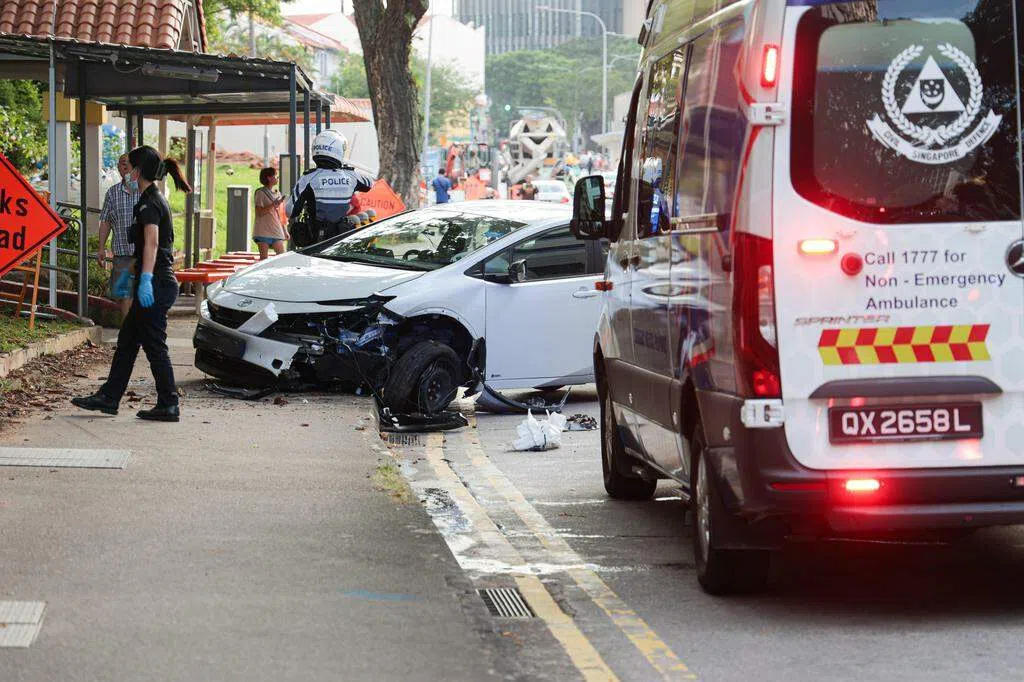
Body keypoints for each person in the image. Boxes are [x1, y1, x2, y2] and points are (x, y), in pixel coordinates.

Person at [72, 146, 192, 422]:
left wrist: (147, 279)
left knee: (154, 345)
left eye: (130, 167)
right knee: (128, 341)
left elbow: (151, 243)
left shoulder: (150, 202)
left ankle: (168, 404)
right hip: (153, 280)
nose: (126, 171)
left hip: (157, 283)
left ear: (137, 171)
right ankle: (110, 397)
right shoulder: (148, 198)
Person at [286, 129, 374, 247]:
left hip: (315, 240)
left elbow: (290, 211)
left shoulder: (308, 178)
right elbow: (369, 183)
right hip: (341, 237)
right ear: (338, 150)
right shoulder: (351, 176)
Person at [97, 154, 140, 317]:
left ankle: (140, 332)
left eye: (129, 164)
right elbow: (106, 221)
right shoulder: (112, 193)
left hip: (143, 253)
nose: (125, 167)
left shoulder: (145, 190)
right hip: (122, 254)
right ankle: (128, 332)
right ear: (118, 168)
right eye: (122, 164)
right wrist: (101, 247)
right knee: (123, 296)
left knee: (141, 295)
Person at [252, 167, 288, 260]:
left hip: (277, 231)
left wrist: (285, 230)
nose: (277, 178)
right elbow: (259, 212)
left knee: (282, 258)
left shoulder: (277, 193)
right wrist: (273, 204)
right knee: (263, 259)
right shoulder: (260, 192)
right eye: (276, 175)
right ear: (269, 178)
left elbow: (281, 215)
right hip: (263, 231)